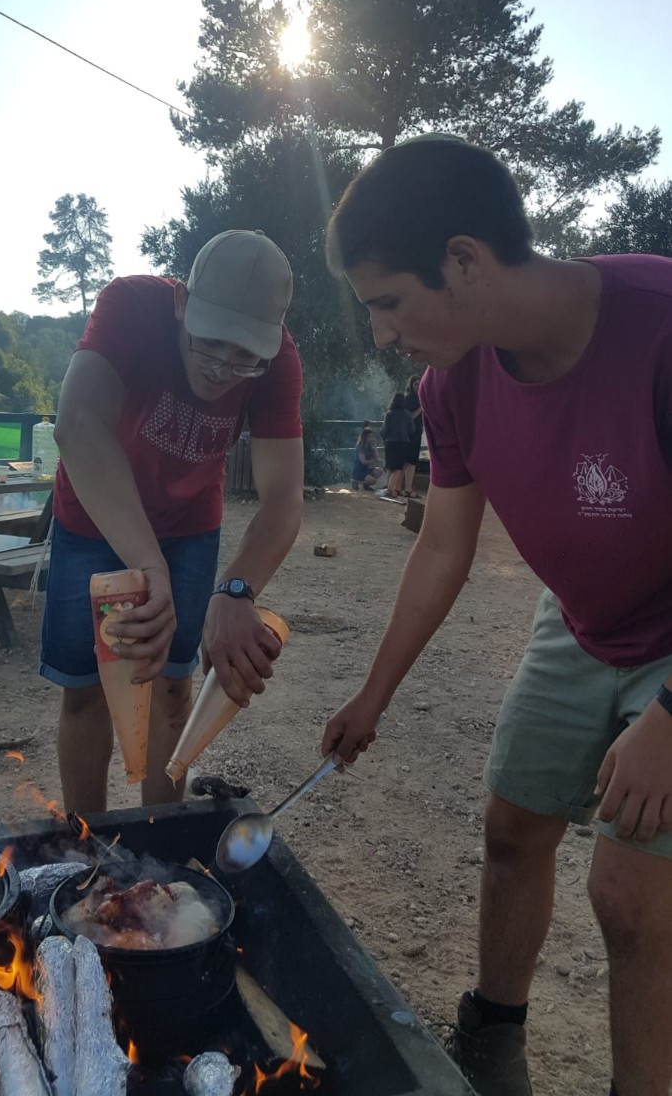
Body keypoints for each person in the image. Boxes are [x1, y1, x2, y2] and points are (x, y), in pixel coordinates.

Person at [322, 135, 672, 1096]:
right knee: (513, 826)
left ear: (465, 260)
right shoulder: (452, 383)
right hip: (582, 620)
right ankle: (493, 1039)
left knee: (631, 898)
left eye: (388, 302)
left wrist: (670, 721)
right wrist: (372, 695)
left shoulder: (659, 325)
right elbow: (442, 543)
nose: (382, 334)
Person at [41, 230, 304, 815]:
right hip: (93, 517)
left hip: (189, 525)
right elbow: (77, 425)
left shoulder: (278, 362)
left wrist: (236, 591)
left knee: (172, 686)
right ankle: (89, 849)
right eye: (209, 344)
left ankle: (156, 843)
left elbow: (284, 498)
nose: (223, 369)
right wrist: (146, 562)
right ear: (182, 302)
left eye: (245, 356)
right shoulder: (130, 306)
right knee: (84, 690)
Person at [380, 392, 414, 498]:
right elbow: (412, 430)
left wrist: (385, 438)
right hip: (403, 443)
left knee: (390, 467)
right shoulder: (408, 414)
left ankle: (389, 489)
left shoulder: (389, 414)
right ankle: (390, 490)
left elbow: (384, 430)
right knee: (398, 469)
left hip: (390, 443)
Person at [403, 375, 424, 497]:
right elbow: (409, 417)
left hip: (417, 433)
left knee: (412, 461)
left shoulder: (420, 398)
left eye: (419, 384)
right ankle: (402, 488)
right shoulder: (408, 399)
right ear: (411, 385)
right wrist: (421, 408)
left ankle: (408, 488)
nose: (418, 386)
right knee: (407, 461)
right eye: (415, 384)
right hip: (409, 433)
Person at [352, 424, 381, 489]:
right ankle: (356, 481)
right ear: (364, 437)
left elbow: (376, 457)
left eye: (372, 436)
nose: (371, 438)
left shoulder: (370, 447)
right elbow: (363, 461)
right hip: (358, 471)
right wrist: (373, 461)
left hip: (366, 470)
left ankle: (366, 485)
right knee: (373, 481)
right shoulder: (360, 447)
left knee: (379, 471)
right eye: (369, 437)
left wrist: (375, 446)